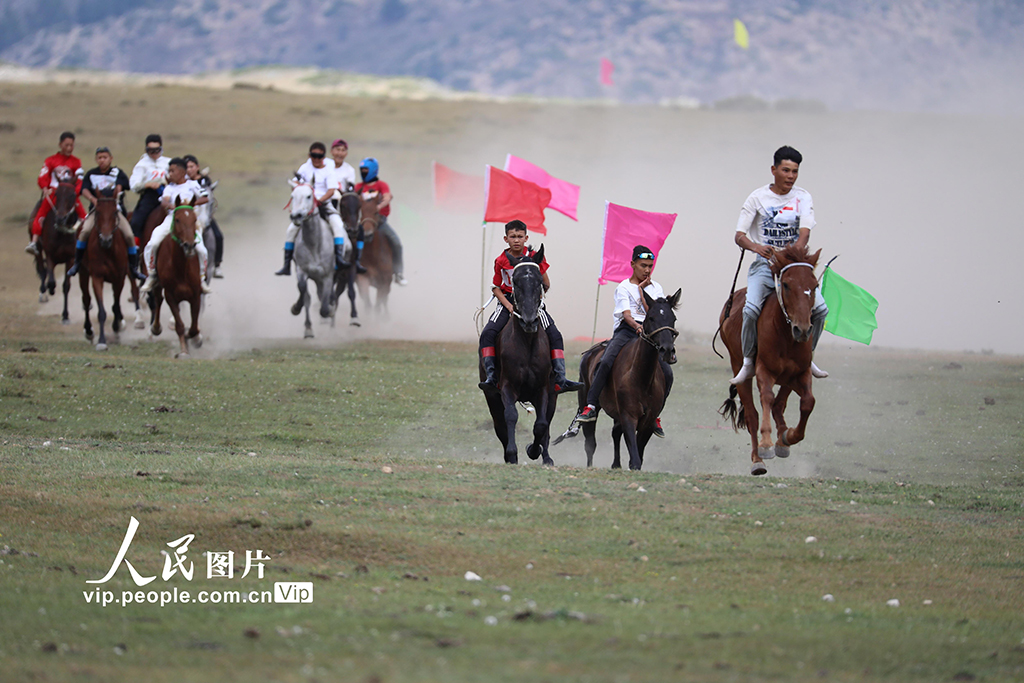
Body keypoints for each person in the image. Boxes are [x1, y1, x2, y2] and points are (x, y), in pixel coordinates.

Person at [729, 145, 828, 385]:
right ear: (774, 170)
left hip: (794, 267)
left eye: (795, 171)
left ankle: (808, 354)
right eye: (786, 170)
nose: (790, 176)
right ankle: (749, 361)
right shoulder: (757, 198)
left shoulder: (803, 197)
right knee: (750, 309)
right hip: (764, 266)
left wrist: (792, 255)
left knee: (821, 310)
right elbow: (739, 235)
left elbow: (804, 234)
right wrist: (756, 247)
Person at [478, 219, 584, 395]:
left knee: (555, 334)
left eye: (520, 236)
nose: (517, 240)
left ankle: (560, 378)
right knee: (488, 333)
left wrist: (535, 298)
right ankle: (491, 376)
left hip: (531, 302)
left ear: (526, 237)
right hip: (508, 302)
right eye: (513, 237)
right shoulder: (501, 260)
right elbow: (496, 286)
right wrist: (509, 306)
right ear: (506, 239)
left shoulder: (535, 257)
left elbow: (546, 283)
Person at [575, 246, 672, 437]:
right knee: (605, 362)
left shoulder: (656, 288)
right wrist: (637, 327)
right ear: (633, 264)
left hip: (649, 334)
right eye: (643, 265)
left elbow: (652, 312)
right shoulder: (623, 287)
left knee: (667, 373)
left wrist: (643, 291)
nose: (647, 270)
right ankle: (591, 405)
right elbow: (627, 315)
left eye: (650, 266)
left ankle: (655, 414)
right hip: (627, 331)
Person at [67, 147, 144, 280]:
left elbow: (125, 185)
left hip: (115, 212)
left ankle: (133, 268)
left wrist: (118, 189)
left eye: (105, 157)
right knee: (84, 232)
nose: (102, 160)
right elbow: (83, 189)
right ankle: (77, 263)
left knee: (129, 235)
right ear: (96, 159)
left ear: (110, 158)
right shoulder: (91, 174)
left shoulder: (117, 173)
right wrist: (93, 199)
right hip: (96, 211)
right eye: (99, 158)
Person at [275, 142, 350, 275]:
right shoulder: (305, 167)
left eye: (319, 156)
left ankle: (339, 259)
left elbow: (332, 190)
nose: (316, 159)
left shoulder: (328, 170)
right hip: (305, 207)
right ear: (310, 155)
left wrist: (319, 201)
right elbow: (296, 183)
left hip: (323, 204)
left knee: (338, 226)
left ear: (323, 156)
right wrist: (300, 189)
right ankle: (286, 264)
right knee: (291, 230)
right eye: (314, 155)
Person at [139, 157, 213, 295]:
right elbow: (164, 202)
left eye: (172, 171)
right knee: (153, 243)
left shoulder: (193, 185)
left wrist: (190, 206)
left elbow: (205, 197)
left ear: (181, 171)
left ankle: (201, 279)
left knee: (202, 249)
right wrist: (172, 206)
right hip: (172, 219)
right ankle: (152, 274)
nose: (169, 174)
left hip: (190, 221)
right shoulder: (169, 188)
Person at [26, 131, 86, 254]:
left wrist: (75, 192)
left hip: (69, 194)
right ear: (60, 145)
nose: (69, 148)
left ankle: (84, 242)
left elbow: (79, 180)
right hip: (53, 193)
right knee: (40, 215)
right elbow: (43, 176)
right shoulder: (50, 160)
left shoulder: (76, 162)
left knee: (84, 216)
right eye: (66, 145)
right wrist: (44, 187)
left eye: (71, 145)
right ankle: (34, 242)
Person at [355, 157, 407, 286]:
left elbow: (387, 197)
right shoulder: (358, 187)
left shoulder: (381, 185)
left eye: (366, 170)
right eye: (362, 170)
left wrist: (377, 208)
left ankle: (398, 273)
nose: (363, 172)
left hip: (380, 222)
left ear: (373, 170)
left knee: (396, 242)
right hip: (362, 223)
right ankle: (345, 271)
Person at [183, 155, 224, 278]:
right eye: (186, 167)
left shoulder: (204, 180)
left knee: (218, 236)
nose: (189, 170)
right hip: (188, 215)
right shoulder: (182, 181)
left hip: (204, 215)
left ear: (197, 167)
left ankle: (217, 265)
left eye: (191, 167)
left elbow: (207, 192)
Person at [329, 139, 366, 274]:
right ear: (332, 151)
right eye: (337, 150)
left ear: (346, 153)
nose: (340, 153)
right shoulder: (325, 166)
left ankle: (357, 260)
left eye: (343, 150)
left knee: (357, 227)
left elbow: (350, 188)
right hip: (325, 200)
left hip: (341, 203)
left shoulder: (349, 170)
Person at [128, 134, 170, 240]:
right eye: (151, 150)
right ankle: (135, 248)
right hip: (150, 196)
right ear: (146, 150)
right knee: (136, 222)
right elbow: (134, 185)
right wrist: (148, 184)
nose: (154, 153)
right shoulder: (142, 165)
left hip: (168, 194)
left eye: (157, 150)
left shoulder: (169, 162)